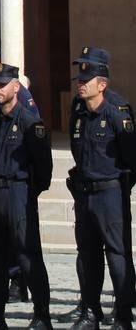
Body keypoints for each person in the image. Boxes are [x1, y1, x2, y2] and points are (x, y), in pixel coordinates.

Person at [0, 64, 51, 330]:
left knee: (28, 255)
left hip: (18, 193)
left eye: (2, 84)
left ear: (16, 88)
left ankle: (41, 314)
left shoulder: (30, 123)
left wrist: (27, 190)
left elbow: (43, 168)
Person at [68, 51, 136, 330]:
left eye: (86, 80)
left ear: (102, 84)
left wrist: (118, 187)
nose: (80, 84)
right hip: (84, 192)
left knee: (117, 256)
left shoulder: (117, 112)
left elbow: (131, 159)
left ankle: (122, 315)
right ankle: (91, 312)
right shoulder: (78, 109)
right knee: (87, 256)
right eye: (79, 79)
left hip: (110, 193)